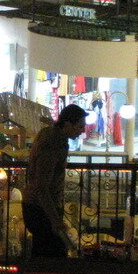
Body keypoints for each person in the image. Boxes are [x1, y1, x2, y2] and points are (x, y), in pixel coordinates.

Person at [23, 104, 87, 258]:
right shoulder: (53, 144)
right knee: (54, 255)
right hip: (41, 207)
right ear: (67, 125)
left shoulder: (51, 135)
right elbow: (42, 186)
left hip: (36, 205)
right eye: (80, 127)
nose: (82, 131)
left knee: (43, 251)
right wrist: (55, 219)